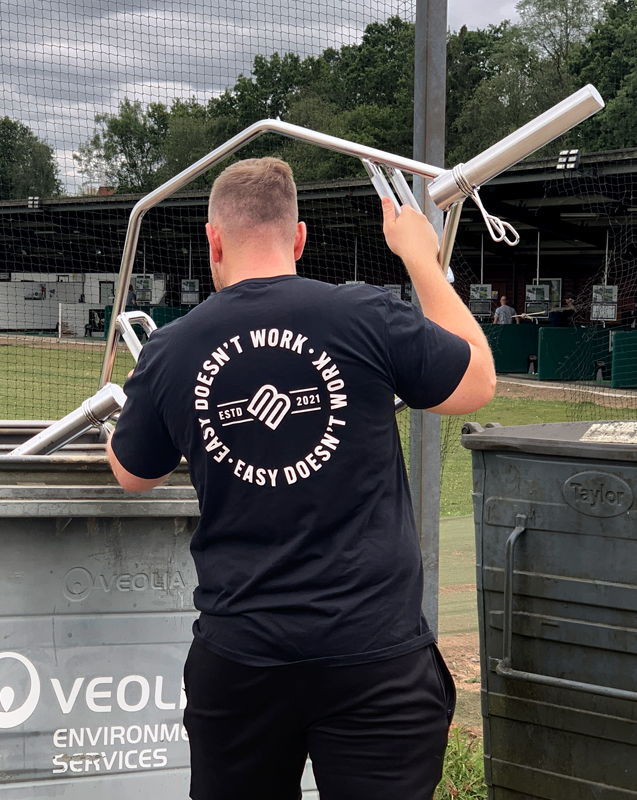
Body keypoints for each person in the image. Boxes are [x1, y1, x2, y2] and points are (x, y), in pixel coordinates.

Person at [106, 157, 495, 800]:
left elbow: (131, 473)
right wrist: (420, 256)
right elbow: (477, 381)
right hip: (377, 658)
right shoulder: (366, 315)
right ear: (299, 238)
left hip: (242, 660)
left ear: (214, 239)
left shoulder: (174, 348)